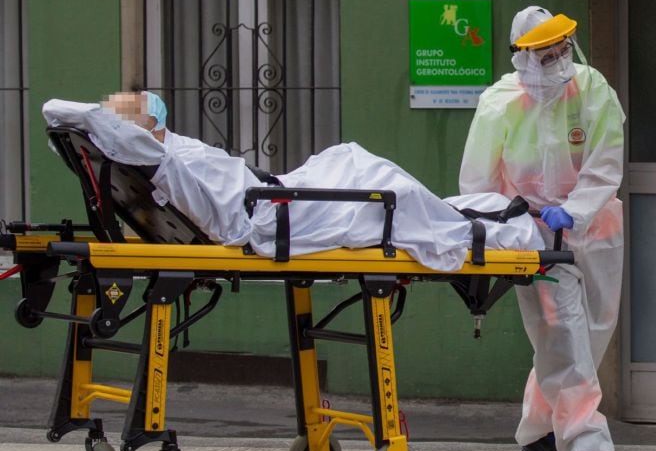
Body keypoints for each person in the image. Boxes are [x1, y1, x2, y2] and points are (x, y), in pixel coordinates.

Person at [43, 95, 543, 272]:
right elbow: (73, 114)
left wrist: (89, 121)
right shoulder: (159, 155)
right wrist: (92, 119)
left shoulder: (163, 156)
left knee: (360, 168)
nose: (123, 111)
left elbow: (67, 115)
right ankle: (493, 228)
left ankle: (483, 217)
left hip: (274, 196)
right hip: (272, 211)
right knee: (390, 190)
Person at [459, 5, 626, 451]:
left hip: (596, 231)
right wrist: (501, 227)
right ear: (522, 57)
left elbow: (606, 156)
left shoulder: (592, 88)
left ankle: (537, 430)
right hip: (533, 235)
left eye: (561, 47)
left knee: (588, 338)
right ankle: (587, 446)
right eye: (545, 51)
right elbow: (479, 179)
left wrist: (575, 209)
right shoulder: (500, 103)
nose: (557, 57)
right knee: (564, 337)